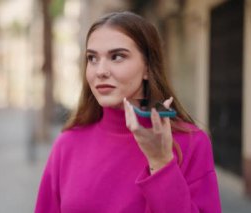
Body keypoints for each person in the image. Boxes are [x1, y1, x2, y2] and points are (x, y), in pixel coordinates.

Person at [35, 11, 221, 213]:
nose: (100, 71)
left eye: (117, 56)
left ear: (148, 68)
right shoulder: (68, 143)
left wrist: (161, 163)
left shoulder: (192, 142)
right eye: (92, 58)